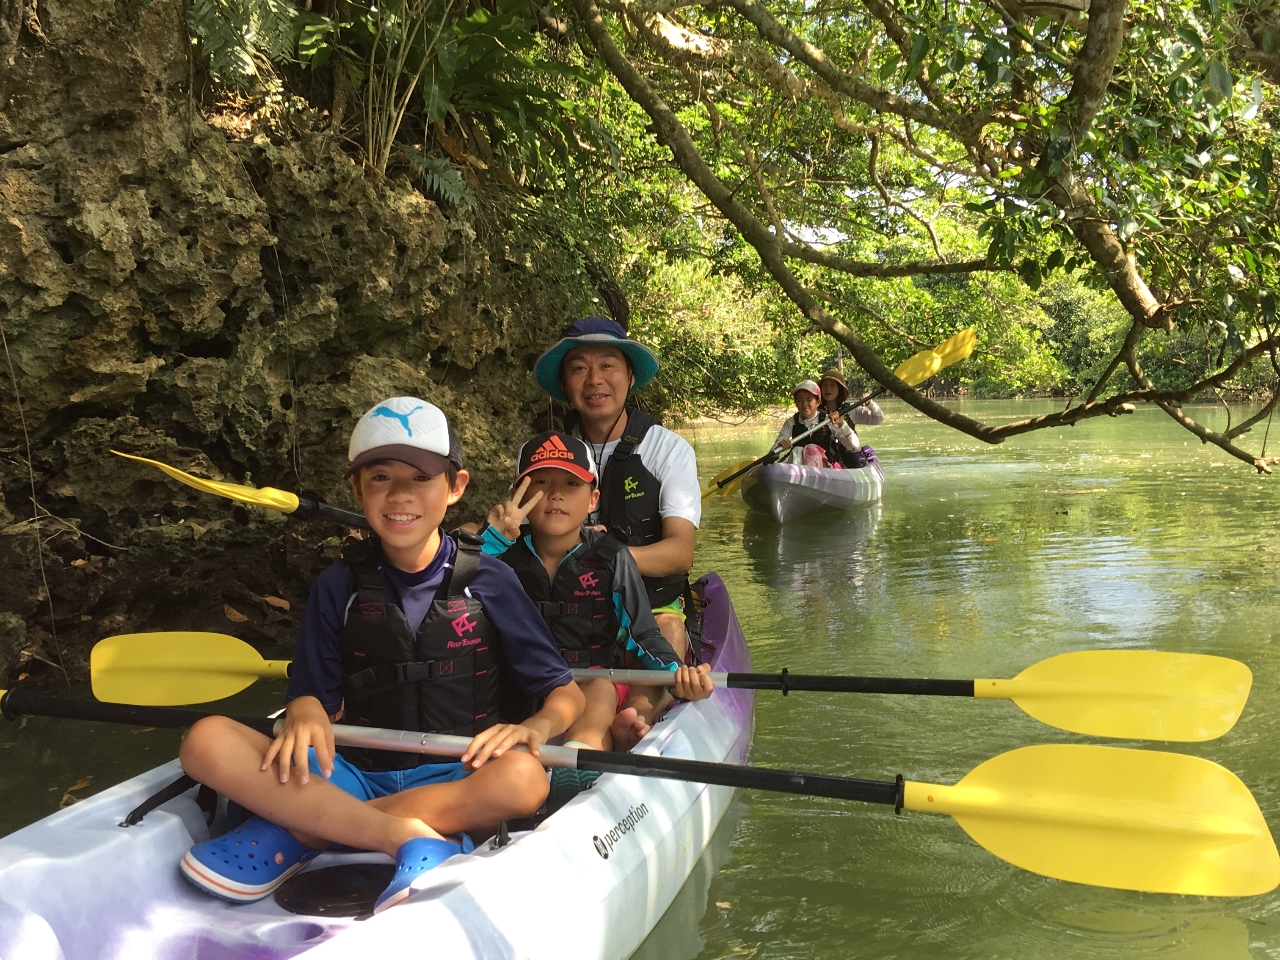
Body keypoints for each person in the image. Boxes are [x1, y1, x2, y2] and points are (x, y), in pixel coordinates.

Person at [176, 398, 586, 914]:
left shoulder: (491, 580)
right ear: (357, 488)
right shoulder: (338, 585)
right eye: (380, 478)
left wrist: (538, 726)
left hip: (459, 775)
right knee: (206, 739)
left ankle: (301, 830)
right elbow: (311, 699)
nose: (400, 495)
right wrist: (304, 709)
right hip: (352, 771)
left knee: (524, 779)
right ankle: (405, 835)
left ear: (455, 486)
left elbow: (565, 694)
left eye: (421, 478)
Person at [476, 430, 713, 801]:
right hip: (521, 688)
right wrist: (492, 540)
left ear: (593, 500)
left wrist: (675, 672)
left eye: (571, 484)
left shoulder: (611, 557)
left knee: (599, 687)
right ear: (516, 495)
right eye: (540, 482)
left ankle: (580, 758)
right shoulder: (498, 555)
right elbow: (449, 595)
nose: (555, 494)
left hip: (589, 681)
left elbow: (642, 635)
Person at [532, 317, 701, 747]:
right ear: (565, 384)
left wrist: (599, 554)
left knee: (667, 628)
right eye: (579, 368)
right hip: (575, 612)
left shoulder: (667, 449)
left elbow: (680, 553)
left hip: (653, 604)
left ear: (629, 377)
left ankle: (636, 718)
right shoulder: (550, 456)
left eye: (607, 365)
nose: (594, 380)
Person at [774, 379, 859, 468]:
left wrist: (842, 424)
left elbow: (855, 447)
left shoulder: (828, 420)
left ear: (818, 402)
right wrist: (780, 446)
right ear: (796, 404)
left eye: (809, 399)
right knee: (797, 450)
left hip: (826, 469)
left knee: (811, 449)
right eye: (800, 400)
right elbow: (774, 451)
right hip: (801, 468)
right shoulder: (791, 422)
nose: (804, 404)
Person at [817, 368, 884, 466]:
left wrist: (870, 404)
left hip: (849, 457)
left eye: (832, 385)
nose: (827, 389)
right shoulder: (816, 413)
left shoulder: (851, 410)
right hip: (826, 458)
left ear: (839, 389)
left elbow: (877, 418)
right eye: (824, 385)